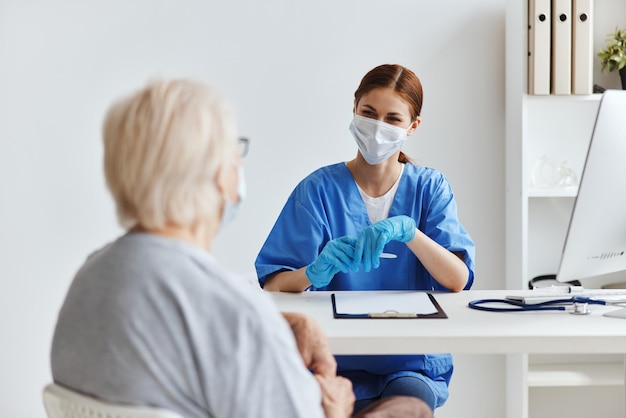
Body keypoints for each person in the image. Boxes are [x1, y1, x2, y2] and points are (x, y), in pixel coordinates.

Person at [50, 78, 433, 418]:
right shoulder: (231, 309)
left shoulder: (90, 278)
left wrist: (275, 324)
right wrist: (332, 406)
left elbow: (167, 337)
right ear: (221, 176)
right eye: (235, 150)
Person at [255, 64, 476, 414]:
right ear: (354, 109)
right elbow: (275, 282)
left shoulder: (429, 188)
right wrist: (314, 272)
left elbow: (457, 280)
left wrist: (410, 233)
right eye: (369, 114)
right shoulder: (318, 190)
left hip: (409, 364)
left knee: (405, 408)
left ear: (412, 126)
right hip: (333, 359)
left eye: (392, 119)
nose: (378, 128)